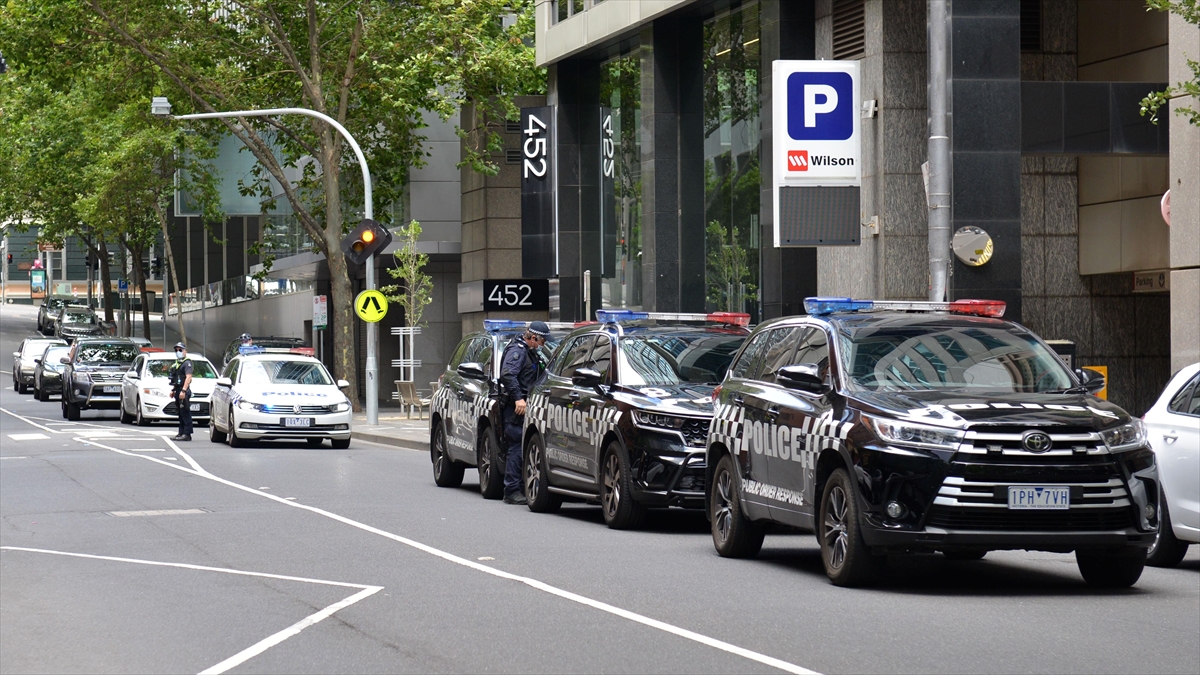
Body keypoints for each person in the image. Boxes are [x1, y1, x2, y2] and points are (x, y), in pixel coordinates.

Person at [498, 321, 550, 505]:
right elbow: (508, 374)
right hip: (516, 408)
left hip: (527, 405)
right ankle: (511, 490)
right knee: (517, 446)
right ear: (534, 337)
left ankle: (518, 486)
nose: (543, 345)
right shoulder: (518, 351)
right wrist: (519, 398)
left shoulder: (529, 352)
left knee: (522, 445)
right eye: (542, 341)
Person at [169, 342, 194, 441]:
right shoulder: (177, 363)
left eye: (180, 350)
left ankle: (187, 434)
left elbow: (188, 377)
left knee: (185, 412)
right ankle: (181, 432)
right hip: (178, 390)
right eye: (176, 350)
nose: (178, 352)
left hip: (183, 391)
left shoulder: (187, 363)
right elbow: (177, 378)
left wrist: (183, 391)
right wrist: (174, 390)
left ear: (185, 351)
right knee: (180, 412)